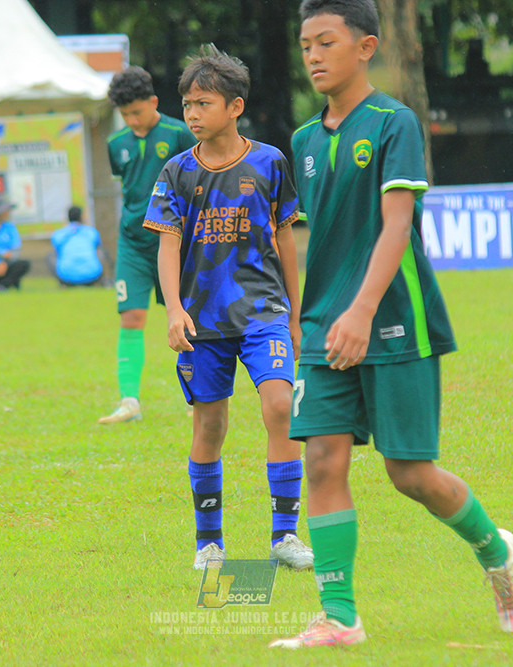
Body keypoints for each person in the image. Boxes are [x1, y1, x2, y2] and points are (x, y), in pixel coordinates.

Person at [270, 0, 513, 649]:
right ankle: (340, 615)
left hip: (393, 321)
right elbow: (313, 240)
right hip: (325, 328)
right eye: (306, 44)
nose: (312, 55)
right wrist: (308, 315)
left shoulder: (395, 123)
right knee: (323, 459)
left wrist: (361, 310)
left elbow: (396, 224)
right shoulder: (303, 141)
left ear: (366, 46)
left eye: (325, 41)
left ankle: (495, 548)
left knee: (409, 473)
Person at [143, 44, 313, 572]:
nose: (192, 113)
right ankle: (208, 543)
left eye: (203, 103)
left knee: (280, 407)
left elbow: (286, 237)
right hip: (202, 322)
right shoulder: (176, 172)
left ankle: (284, 536)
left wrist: (295, 312)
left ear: (235, 107)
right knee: (209, 425)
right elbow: (167, 244)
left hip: (263, 312)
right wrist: (174, 310)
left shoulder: (269, 162)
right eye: (187, 104)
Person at [100, 66, 198, 424]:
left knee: (188, 319)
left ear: (154, 102)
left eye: (137, 112)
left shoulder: (179, 134)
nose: (132, 121)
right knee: (132, 317)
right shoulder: (116, 144)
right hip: (133, 244)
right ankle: (129, 402)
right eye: (125, 115)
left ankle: (198, 396)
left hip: (175, 243)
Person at [49, 206, 104, 286]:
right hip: (92, 274)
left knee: (51, 256)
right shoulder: (91, 232)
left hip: (66, 276)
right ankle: (100, 281)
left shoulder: (58, 234)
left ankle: (63, 284)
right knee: (100, 251)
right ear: (81, 217)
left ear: (67, 217)